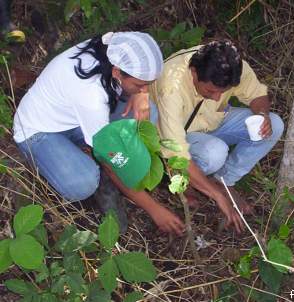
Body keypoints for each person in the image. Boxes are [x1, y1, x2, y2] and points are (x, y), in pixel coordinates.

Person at [13, 31, 185, 235]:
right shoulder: (91, 94)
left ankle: (89, 147)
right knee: (82, 182)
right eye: (139, 84)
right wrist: (154, 209)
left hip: (73, 115)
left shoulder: (118, 45)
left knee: (148, 112)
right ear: (117, 72)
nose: (144, 89)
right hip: (40, 130)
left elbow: (142, 75)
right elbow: (110, 162)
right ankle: (101, 177)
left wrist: (142, 94)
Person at [148, 40, 285, 233]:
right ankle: (181, 177)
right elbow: (176, 151)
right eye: (210, 91)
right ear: (194, 73)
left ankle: (224, 181)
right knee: (215, 153)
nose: (216, 97)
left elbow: (257, 95)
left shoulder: (230, 66)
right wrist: (217, 197)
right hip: (175, 136)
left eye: (223, 91)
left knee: (275, 124)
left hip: (214, 121)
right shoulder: (171, 87)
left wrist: (262, 115)